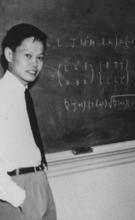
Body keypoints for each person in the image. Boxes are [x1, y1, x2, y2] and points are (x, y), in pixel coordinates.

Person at [0, 23, 57, 220]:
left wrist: (41, 184)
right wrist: (20, 198)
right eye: (27, 55)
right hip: (17, 191)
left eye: (40, 58)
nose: (35, 64)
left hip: (39, 182)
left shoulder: (23, 94)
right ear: (9, 55)